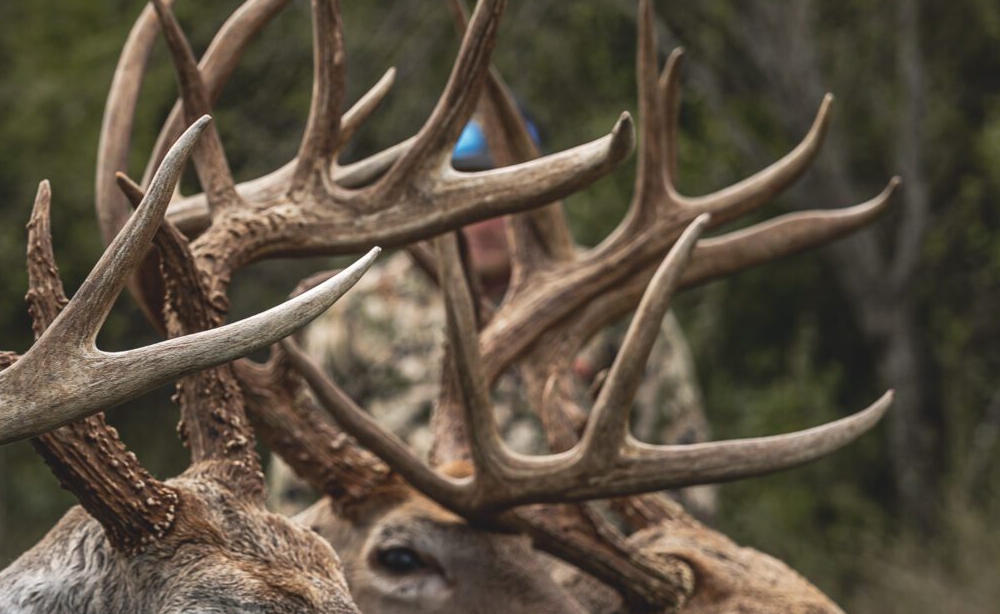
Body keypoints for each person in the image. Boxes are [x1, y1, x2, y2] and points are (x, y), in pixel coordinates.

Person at [266, 116, 718, 519]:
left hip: (578, 574)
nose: (486, 219)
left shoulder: (616, 300)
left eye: (507, 196)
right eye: (470, 194)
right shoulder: (358, 307)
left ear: (546, 195)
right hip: (401, 576)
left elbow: (680, 461)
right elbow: (302, 472)